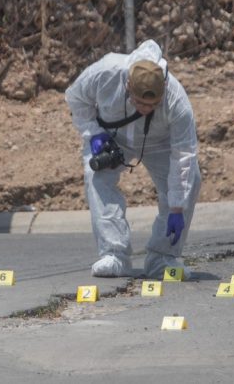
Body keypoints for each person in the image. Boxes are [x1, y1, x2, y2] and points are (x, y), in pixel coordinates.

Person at [65, 39, 202, 279]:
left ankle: (163, 257)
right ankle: (114, 254)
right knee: (96, 176)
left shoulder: (177, 99)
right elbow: (76, 98)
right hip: (112, 138)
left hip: (159, 142)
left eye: (153, 104)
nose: (146, 109)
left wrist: (178, 207)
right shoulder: (106, 72)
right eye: (139, 103)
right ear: (128, 84)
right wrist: (94, 134)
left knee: (192, 180)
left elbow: (184, 154)